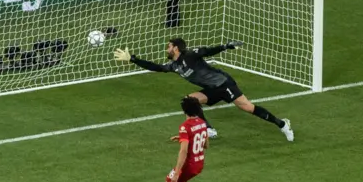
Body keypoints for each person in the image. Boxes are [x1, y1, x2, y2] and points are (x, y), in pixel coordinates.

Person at [113, 38, 294, 141]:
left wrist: (225, 46)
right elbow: (156, 67)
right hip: (211, 88)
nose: (166, 48)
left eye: (169, 46)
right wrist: (132, 59)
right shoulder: (174, 66)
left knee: (248, 108)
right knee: (189, 101)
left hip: (224, 84)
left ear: (176, 48)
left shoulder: (189, 56)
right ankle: (208, 129)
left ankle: (283, 124)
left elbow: (206, 51)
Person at [162, 96, 209, 182]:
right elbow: (206, 144)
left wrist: (177, 172)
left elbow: (183, 151)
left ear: (184, 110)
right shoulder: (202, 122)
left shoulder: (185, 126)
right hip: (199, 163)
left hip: (187, 165)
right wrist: (185, 138)